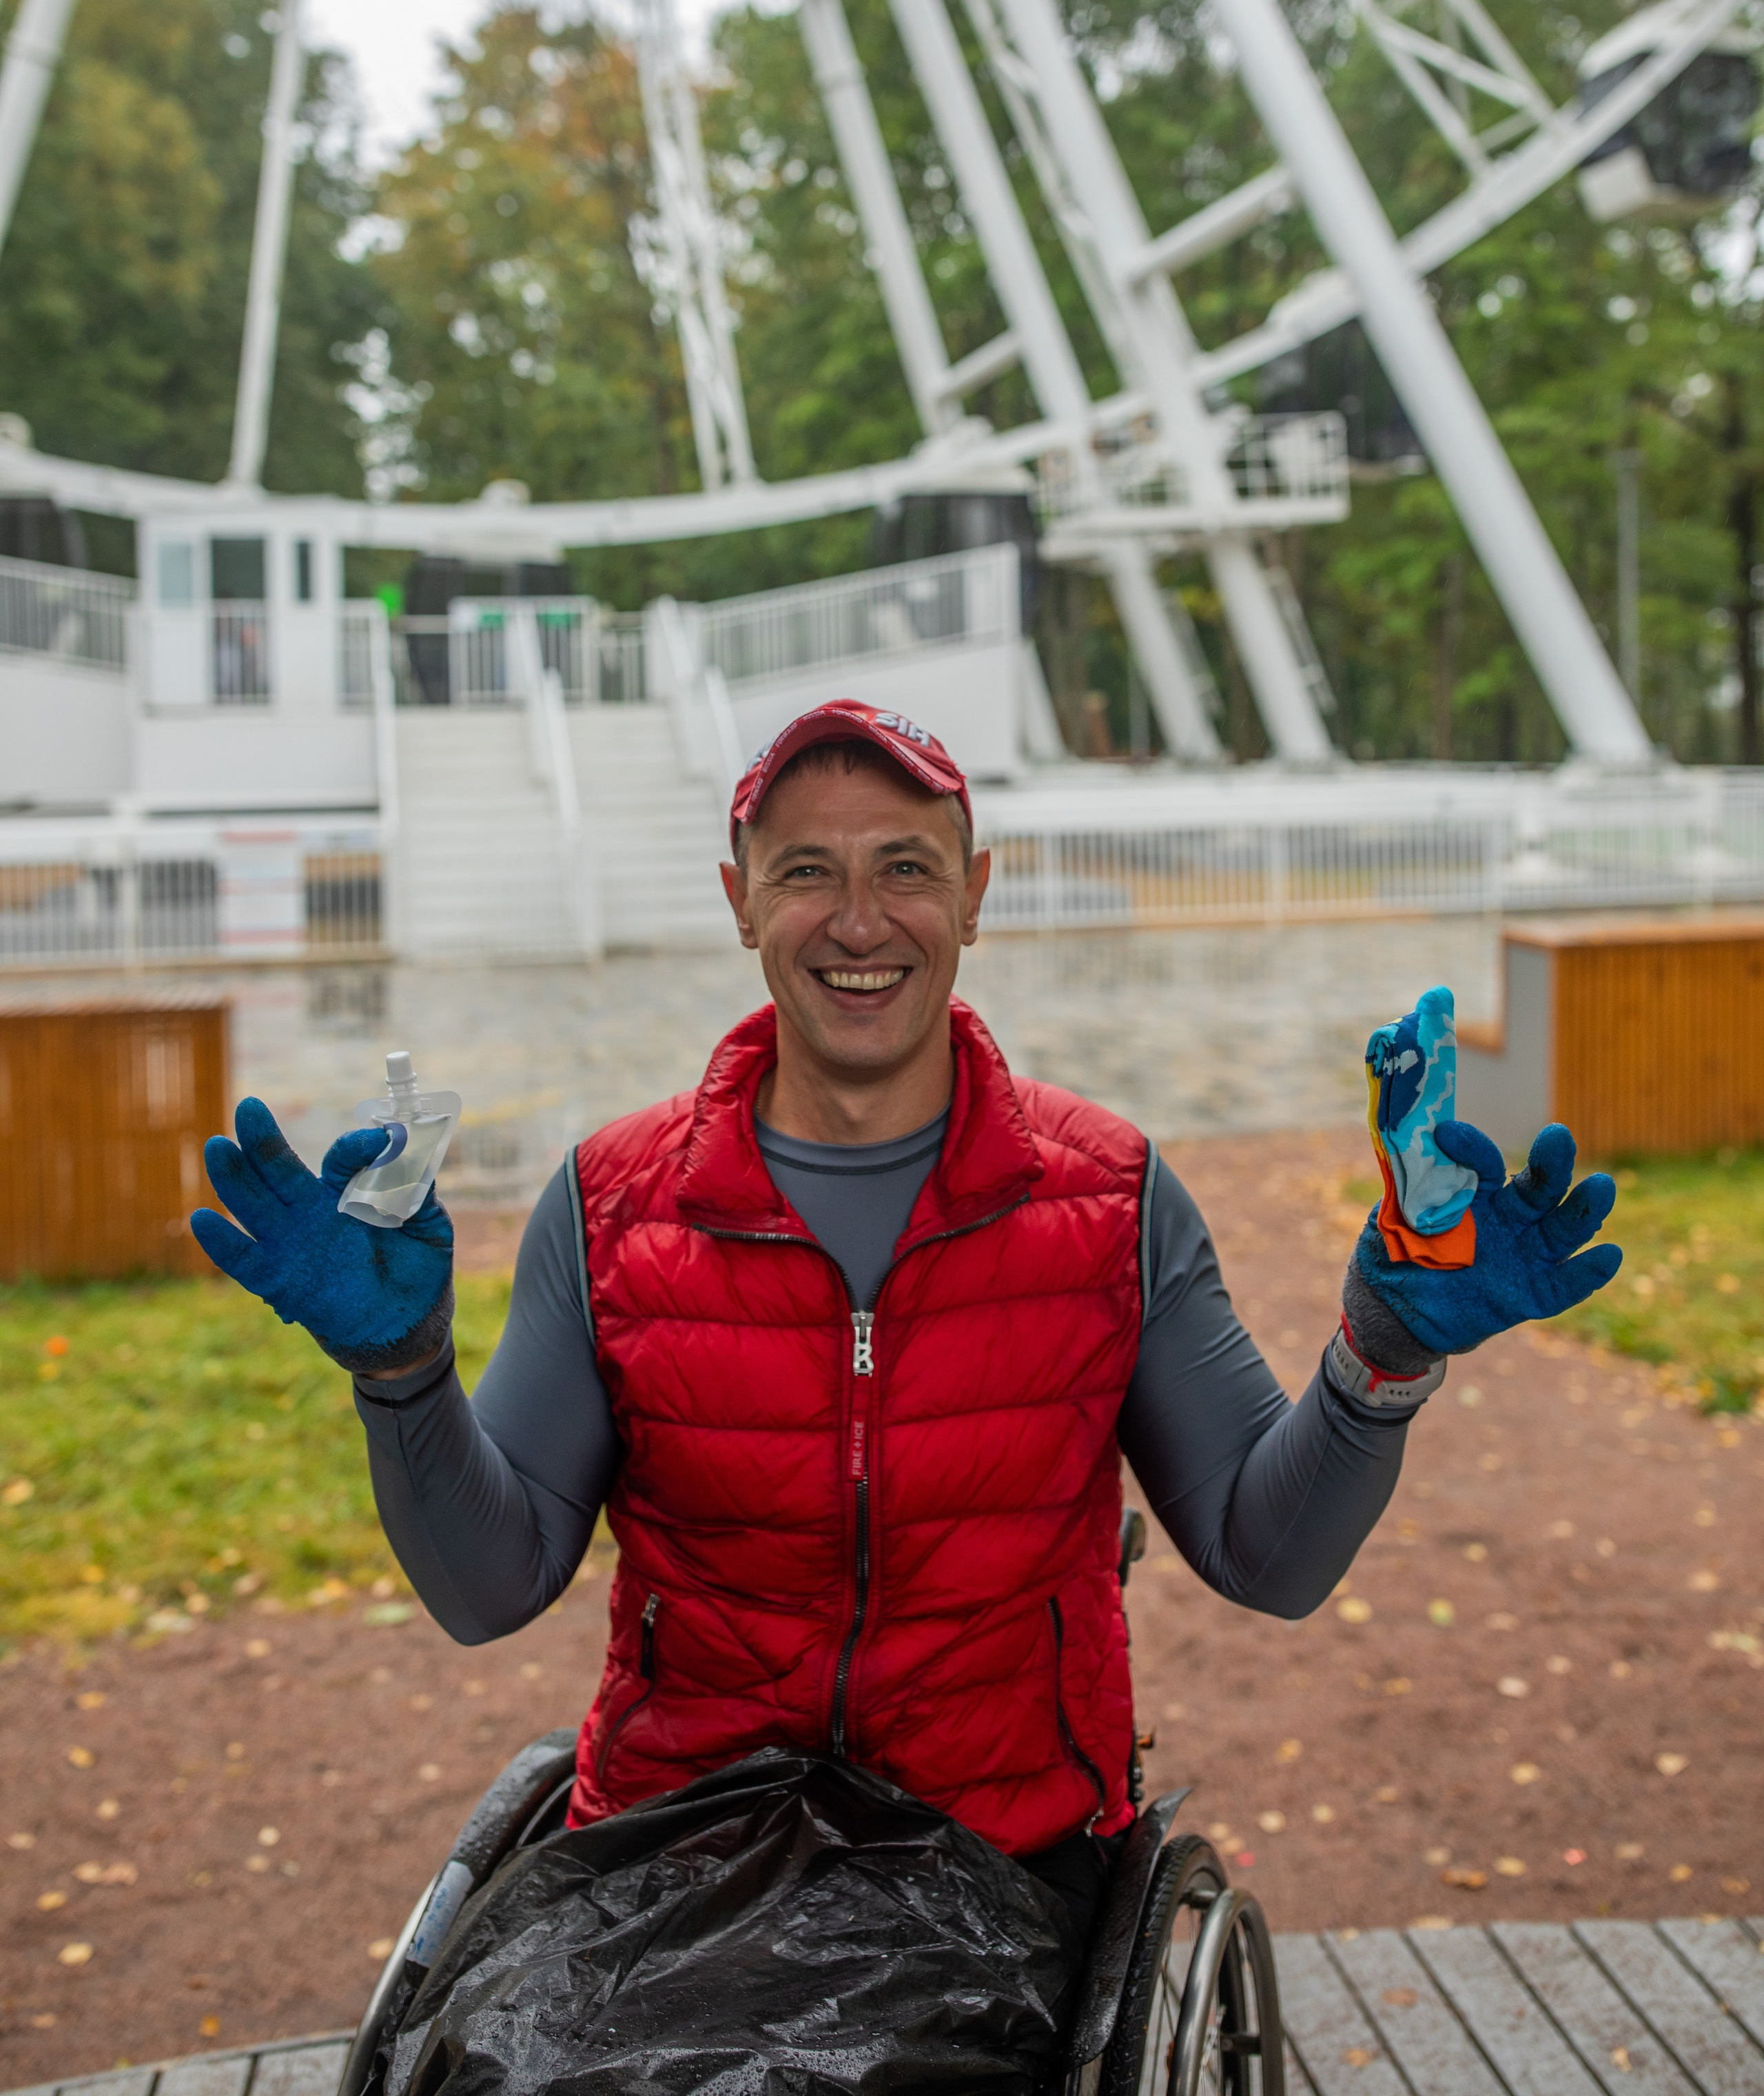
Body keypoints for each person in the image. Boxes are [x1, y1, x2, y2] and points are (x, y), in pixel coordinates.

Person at [191, 699, 1620, 1937]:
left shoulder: (1109, 1200)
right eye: (805, 872)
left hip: (1005, 1867)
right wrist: (399, 1369)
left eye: (904, 871)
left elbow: (1268, 1553)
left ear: (975, 893)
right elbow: (487, 1587)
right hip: (674, 1864)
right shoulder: (613, 1205)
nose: (857, 922)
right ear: (738, 900)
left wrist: (1384, 1354)